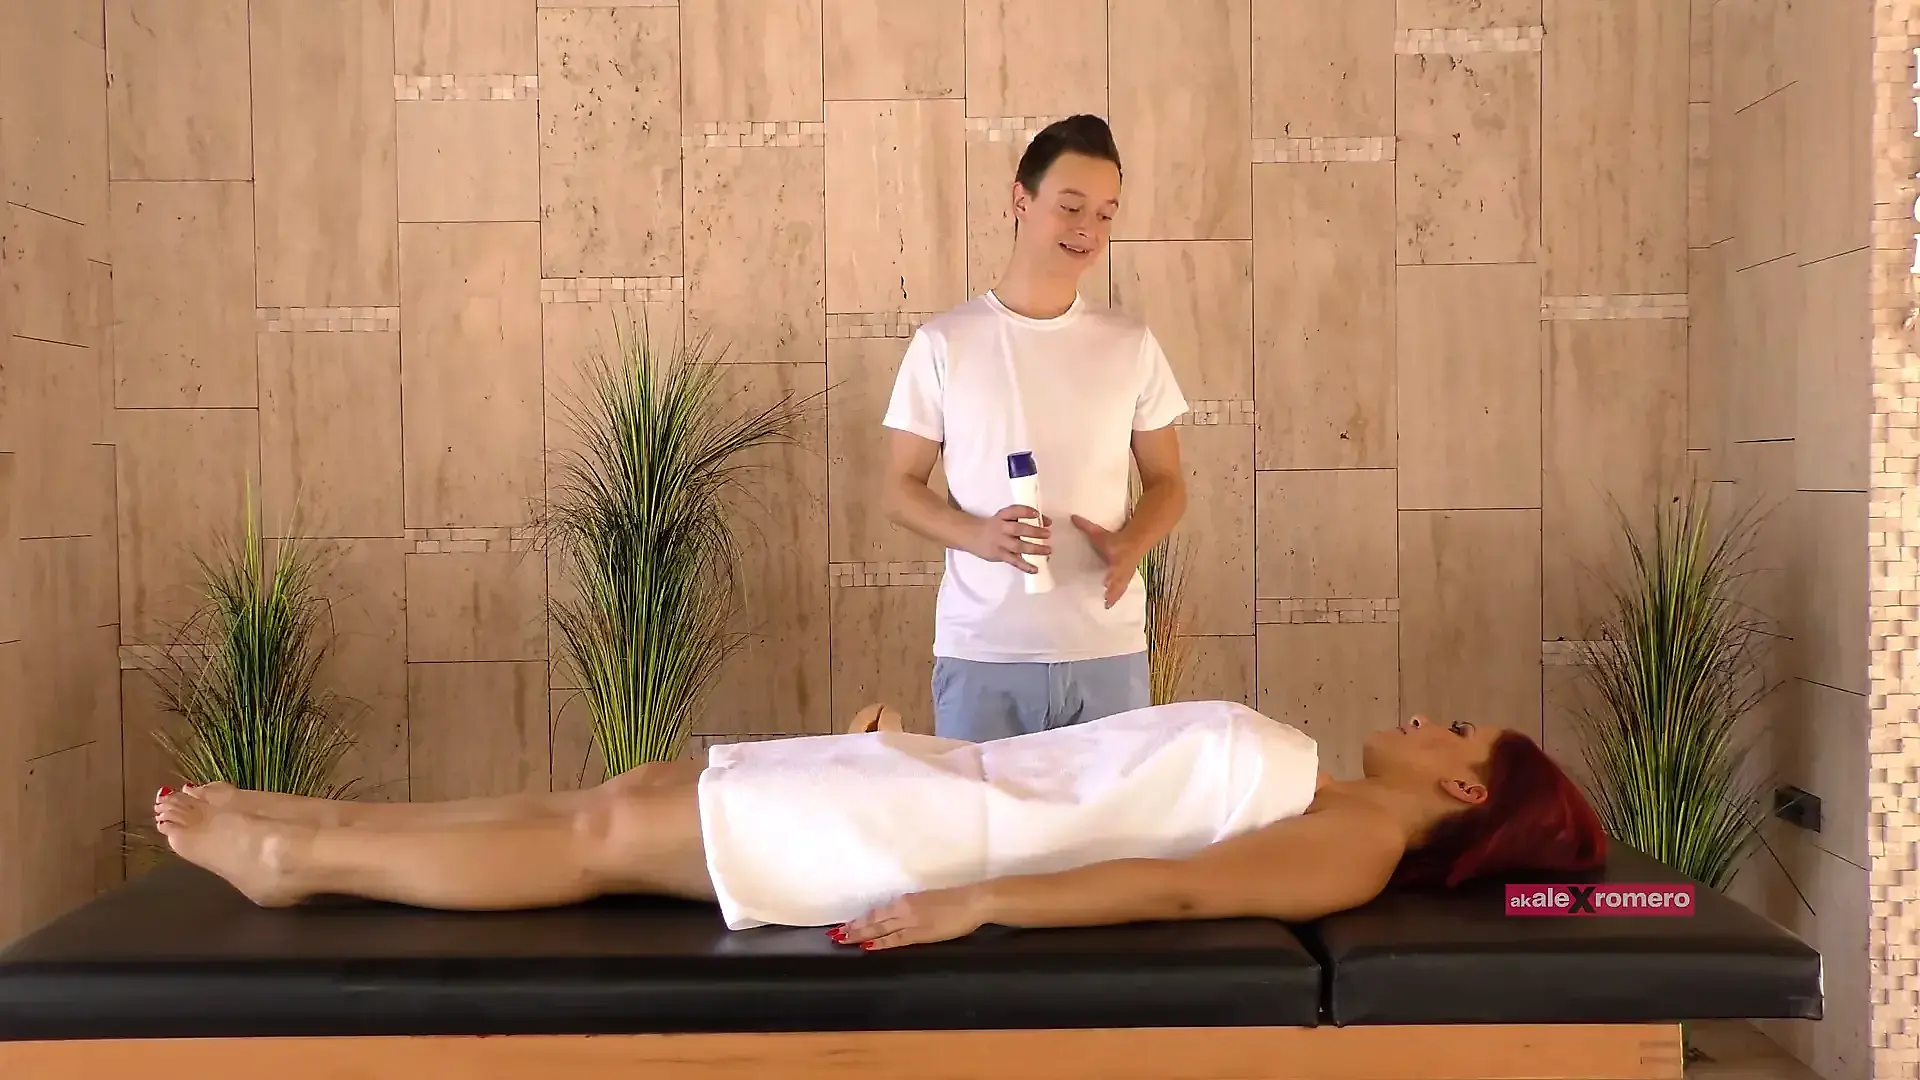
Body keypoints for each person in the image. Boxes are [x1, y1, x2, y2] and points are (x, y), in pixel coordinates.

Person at [152, 702, 1607, 951]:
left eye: (1459, 734)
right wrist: (907, 742)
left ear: (1466, 795)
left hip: (923, 847)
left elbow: (1174, 894)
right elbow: (1083, 771)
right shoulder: (1327, 786)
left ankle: (296, 865)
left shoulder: (1353, 844)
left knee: (606, 838)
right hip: (931, 784)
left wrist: (980, 906)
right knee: (626, 794)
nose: (1432, 720)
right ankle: (320, 827)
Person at [879, 114, 1190, 742]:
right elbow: (898, 489)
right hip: (983, 654)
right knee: (982, 813)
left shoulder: (1129, 343)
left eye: (1105, 214)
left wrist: (1133, 541)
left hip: (1108, 651)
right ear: (1021, 199)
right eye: (1070, 207)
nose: (1087, 229)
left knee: (1116, 813)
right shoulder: (945, 343)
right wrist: (978, 535)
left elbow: (1168, 481)